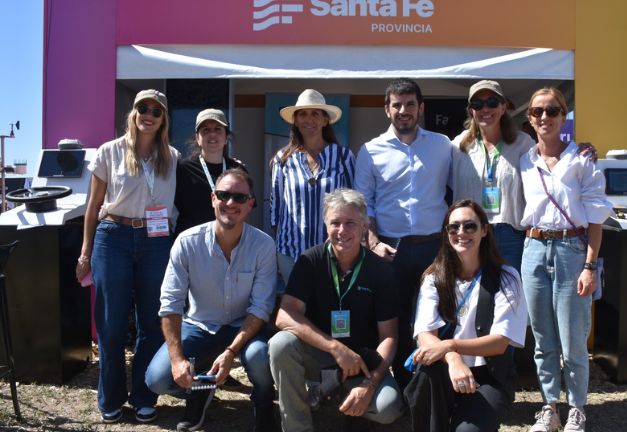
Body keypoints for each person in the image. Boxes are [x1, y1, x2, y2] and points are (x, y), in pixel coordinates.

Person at [75, 89, 179, 423]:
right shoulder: (109, 151)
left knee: (152, 320)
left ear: (163, 119)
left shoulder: (172, 156)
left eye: (156, 111)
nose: (148, 114)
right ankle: (111, 398)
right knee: (111, 323)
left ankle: (145, 395)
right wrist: (85, 252)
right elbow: (92, 206)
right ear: (133, 113)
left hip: (156, 240)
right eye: (142, 108)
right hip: (113, 237)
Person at [145, 168, 277, 432]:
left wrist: (230, 352)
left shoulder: (263, 245)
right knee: (158, 380)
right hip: (200, 325)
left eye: (239, 197)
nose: (230, 203)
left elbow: (261, 307)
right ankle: (201, 391)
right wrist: (177, 359)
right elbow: (170, 304)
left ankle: (263, 403)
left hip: (243, 328)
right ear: (213, 198)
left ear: (251, 203)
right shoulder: (187, 242)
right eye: (224, 195)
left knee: (261, 356)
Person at [269, 188, 402, 432]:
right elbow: (285, 315)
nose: (342, 231)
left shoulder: (380, 271)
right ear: (326, 226)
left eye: (350, 223)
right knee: (280, 345)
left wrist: (369, 384)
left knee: (388, 408)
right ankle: (298, 426)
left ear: (364, 226)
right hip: (320, 354)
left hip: (363, 361)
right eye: (335, 223)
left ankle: (342, 397)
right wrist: (335, 347)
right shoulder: (310, 261)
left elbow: (389, 337)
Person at [519, 87, 612, 432]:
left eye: (553, 110)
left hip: (573, 251)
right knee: (542, 338)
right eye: (537, 111)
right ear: (529, 117)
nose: (545, 117)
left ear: (563, 116)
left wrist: (590, 265)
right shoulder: (524, 160)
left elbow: (595, 218)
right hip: (533, 250)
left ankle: (577, 408)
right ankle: (550, 407)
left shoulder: (582, 159)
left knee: (573, 337)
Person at [354, 78, 453, 389]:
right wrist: (373, 243)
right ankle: (402, 385)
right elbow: (363, 204)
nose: (403, 110)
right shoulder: (370, 151)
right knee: (393, 320)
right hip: (389, 250)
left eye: (410, 104)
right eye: (396, 104)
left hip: (433, 248)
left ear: (421, 108)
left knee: (433, 316)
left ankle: (430, 384)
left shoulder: (443, 145)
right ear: (387, 109)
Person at [405, 199, 527, 432]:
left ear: (484, 230)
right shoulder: (433, 277)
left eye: (469, 226)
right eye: (453, 227)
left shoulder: (507, 278)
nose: (461, 232)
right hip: (444, 369)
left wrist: (450, 345)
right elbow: (424, 334)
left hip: (488, 376)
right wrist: (452, 358)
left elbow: (500, 343)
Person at [271, 89, 355, 287]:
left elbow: (355, 205)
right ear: (296, 121)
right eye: (303, 114)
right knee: (295, 309)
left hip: (334, 251)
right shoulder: (282, 160)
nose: (309, 120)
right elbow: (275, 209)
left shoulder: (343, 157)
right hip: (291, 252)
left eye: (315, 114)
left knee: (329, 310)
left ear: (325, 121)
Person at [451, 80, 536, 273]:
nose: (485, 109)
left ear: (504, 106)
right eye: (478, 105)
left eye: (492, 102)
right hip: (470, 233)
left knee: (510, 296)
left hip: (510, 235)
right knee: (473, 295)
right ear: (471, 110)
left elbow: (549, 163)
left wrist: (579, 150)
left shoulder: (523, 144)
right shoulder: (459, 146)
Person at [174, 108, 246, 235]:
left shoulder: (238, 171)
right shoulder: (182, 169)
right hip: (191, 243)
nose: (212, 134)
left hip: (228, 243)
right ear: (197, 138)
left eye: (218, 129)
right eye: (205, 130)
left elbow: (245, 209)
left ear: (226, 137)